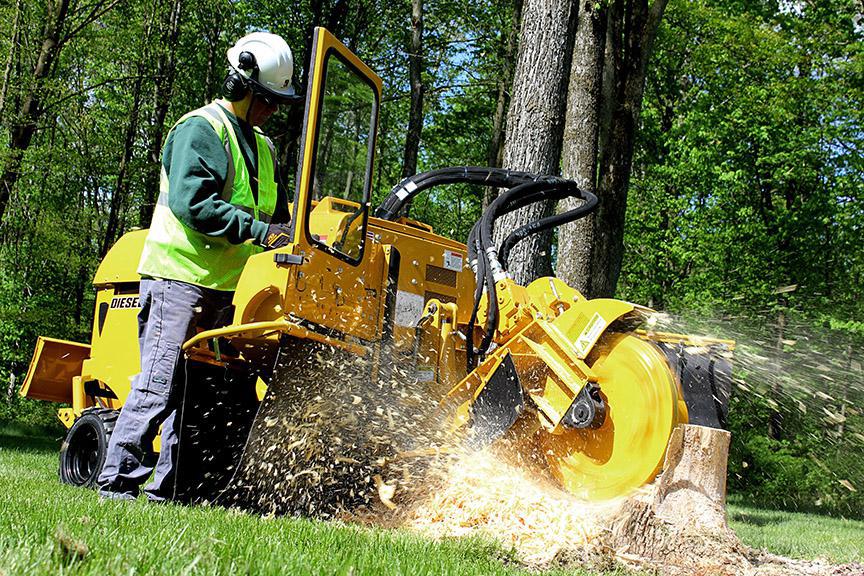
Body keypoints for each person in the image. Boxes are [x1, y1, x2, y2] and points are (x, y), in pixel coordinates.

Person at [97, 31, 297, 501]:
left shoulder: (264, 148)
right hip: (178, 279)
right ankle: (116, 483)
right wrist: (258, 231)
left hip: (229, 290)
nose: (272, 110)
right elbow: (194, 205)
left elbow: (280, 218)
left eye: (278, 102)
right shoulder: (201, 130)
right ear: (240, 85)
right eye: (267, 99)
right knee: (158, 384)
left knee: (200, 393)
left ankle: (170, 490)